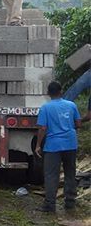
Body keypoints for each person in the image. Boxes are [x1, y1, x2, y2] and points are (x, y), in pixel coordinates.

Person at [35, 81, 81, 213]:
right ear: (61, 91)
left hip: (53, 146)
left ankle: (50, 205)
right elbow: (78, 123)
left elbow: (43, 128)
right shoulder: (71, 105)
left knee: (51, 175)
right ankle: (70, 202)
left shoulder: (45, 108)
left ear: (48, 93)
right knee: (70, 173)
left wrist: (38, 145)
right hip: (70, 144)